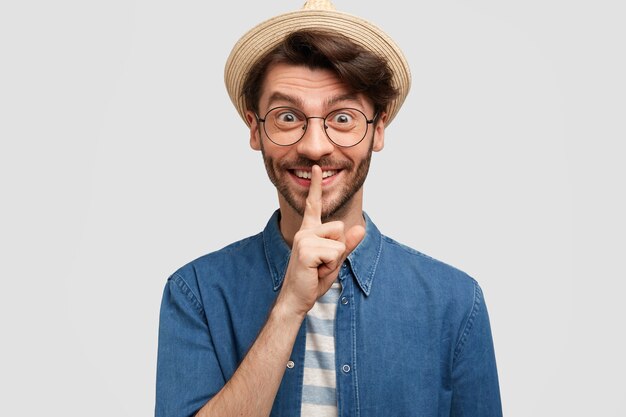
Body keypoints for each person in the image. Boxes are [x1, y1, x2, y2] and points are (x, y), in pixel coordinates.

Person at [155, 1, 502, 416]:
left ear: (378, 129)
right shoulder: (196, 294)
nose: (315, 147)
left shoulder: (456, 303)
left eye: (342, 118)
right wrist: (288, 309)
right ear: (255, 129)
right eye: (287, 116)